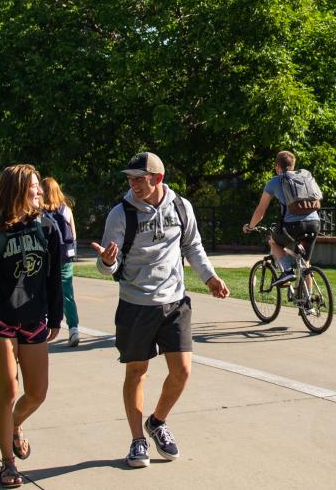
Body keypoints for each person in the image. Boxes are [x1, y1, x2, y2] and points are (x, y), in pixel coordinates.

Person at [90, 151, 229, 468]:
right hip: (135, 303)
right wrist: (107, 262)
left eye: (139, 179)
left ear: (158, 179)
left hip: (175, 301)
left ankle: (157, 422)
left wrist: (209, 277)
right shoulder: (120, 214)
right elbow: (106, 265)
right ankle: (138, 440)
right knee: (137, 372)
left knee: (182, 371)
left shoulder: (181, 206)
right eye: (130, 179)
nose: (133, 184)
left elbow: (192, 245)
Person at [0, 164, 65, 489]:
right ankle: (7, 463)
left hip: (34, 320)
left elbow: (54, 278)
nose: (39, 192)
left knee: (37, 393)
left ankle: (15, 425)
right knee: (9, 389)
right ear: (18, 190)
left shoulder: (48, 228)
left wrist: (56, 316)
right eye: (34, 187)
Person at [241, 151, 322, 287]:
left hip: (293, 226)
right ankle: (309, 305)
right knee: (305, 263)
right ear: (293, 164)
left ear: (277, 166)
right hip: (314, 223)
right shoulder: (305, 177)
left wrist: (250, 226)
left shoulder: (275, 181)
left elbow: (260, 210)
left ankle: (287, 271)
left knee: (274, 242)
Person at [41, 177, 81, 347]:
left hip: (46, 259)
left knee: (42, 292)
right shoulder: (66, 210)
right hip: (65, 258)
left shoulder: (39, 212)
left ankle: (41, 328)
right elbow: (73, 235)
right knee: (67, 294)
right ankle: (73, 329)